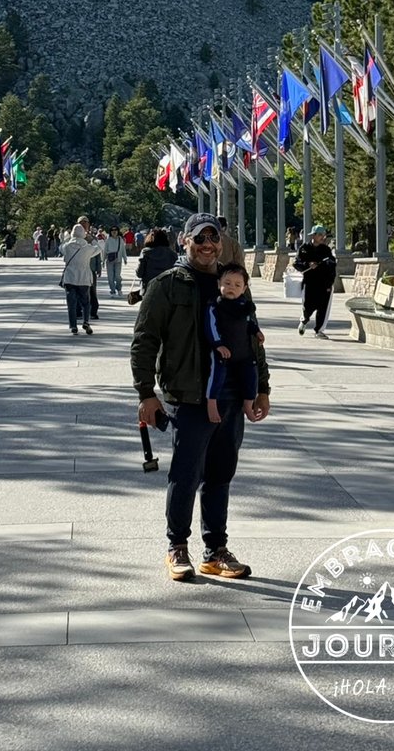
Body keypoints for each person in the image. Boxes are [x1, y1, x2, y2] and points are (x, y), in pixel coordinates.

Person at [131, 212, 270, 583]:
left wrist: (262, 388)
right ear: (185, 240)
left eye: (213, 238)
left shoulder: (234, 282)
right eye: (200, 239)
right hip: (188, 396)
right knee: (186, 474)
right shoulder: (167, 285)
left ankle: (215, 551)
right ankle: (177, 546)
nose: (208, 245)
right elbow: (144, 342)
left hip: (230, 396)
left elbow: (252, 337)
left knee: (221, 474)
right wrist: (146, 394)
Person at [205, 263, 264, 425]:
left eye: (237, 285)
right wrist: (218, 344)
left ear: (244, 288)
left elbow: (248, 322)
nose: (232, 288)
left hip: (243, 352)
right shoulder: (215, 306)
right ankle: (211, 402)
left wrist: (256, 331)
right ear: (219, 284)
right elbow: (211, 327)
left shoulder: (244, 306)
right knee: (216, 374)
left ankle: (248, 403)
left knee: (251, 375)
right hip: (222, 351)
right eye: (227, 283)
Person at [293, 224, 337, 339]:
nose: (323, 237)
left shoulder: (326, 250)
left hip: (324, 283)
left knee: (323, 308)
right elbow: (296, 263)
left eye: (324, 235)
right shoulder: (304, 248)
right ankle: (304, 320)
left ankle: (319, 330)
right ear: (313, 235)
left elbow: (332, 266)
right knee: (308, 306)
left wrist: (330, 283)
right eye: (320, 235)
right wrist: (307, 265)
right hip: (309, 283)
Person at [62, 223, 102, 335]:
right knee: (85, 302)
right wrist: (91, 239)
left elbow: (61, 247)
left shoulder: (67, 247)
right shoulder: (87, 248)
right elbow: (99, 248)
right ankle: (86, 321)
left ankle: (73, 326)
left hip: (70, 278)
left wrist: (67, 238)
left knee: (71, 304)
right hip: (84, 278)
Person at [135, 228, 177, 293]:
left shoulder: (145, 252)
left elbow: (139, 273)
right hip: (167, 289)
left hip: (148, 288)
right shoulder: (172, 254)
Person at [77, 215, 102, 319]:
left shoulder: (92, 238)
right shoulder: (73, 238)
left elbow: (97, 252)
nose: (83, 225)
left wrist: (98, 267)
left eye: (85, 222)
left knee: (92, 290)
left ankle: (93, 311)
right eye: (81, 223)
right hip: (78, 268)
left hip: (90, 268)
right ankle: (78, 311)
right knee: (78, 290)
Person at [103, 226, 127, 296]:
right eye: (112, 230)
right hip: (110, 260)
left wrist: (125, 258)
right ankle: (112, 290)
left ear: (118, 231)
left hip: (118, 260)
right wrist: (103, 260)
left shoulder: (120, 240)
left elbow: (123, 250)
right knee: (110, 277)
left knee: (117, 276)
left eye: (115, 230)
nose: (114, 231)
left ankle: (119, 288)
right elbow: (105, 251)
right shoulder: (108, 240)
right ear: (110, 232)